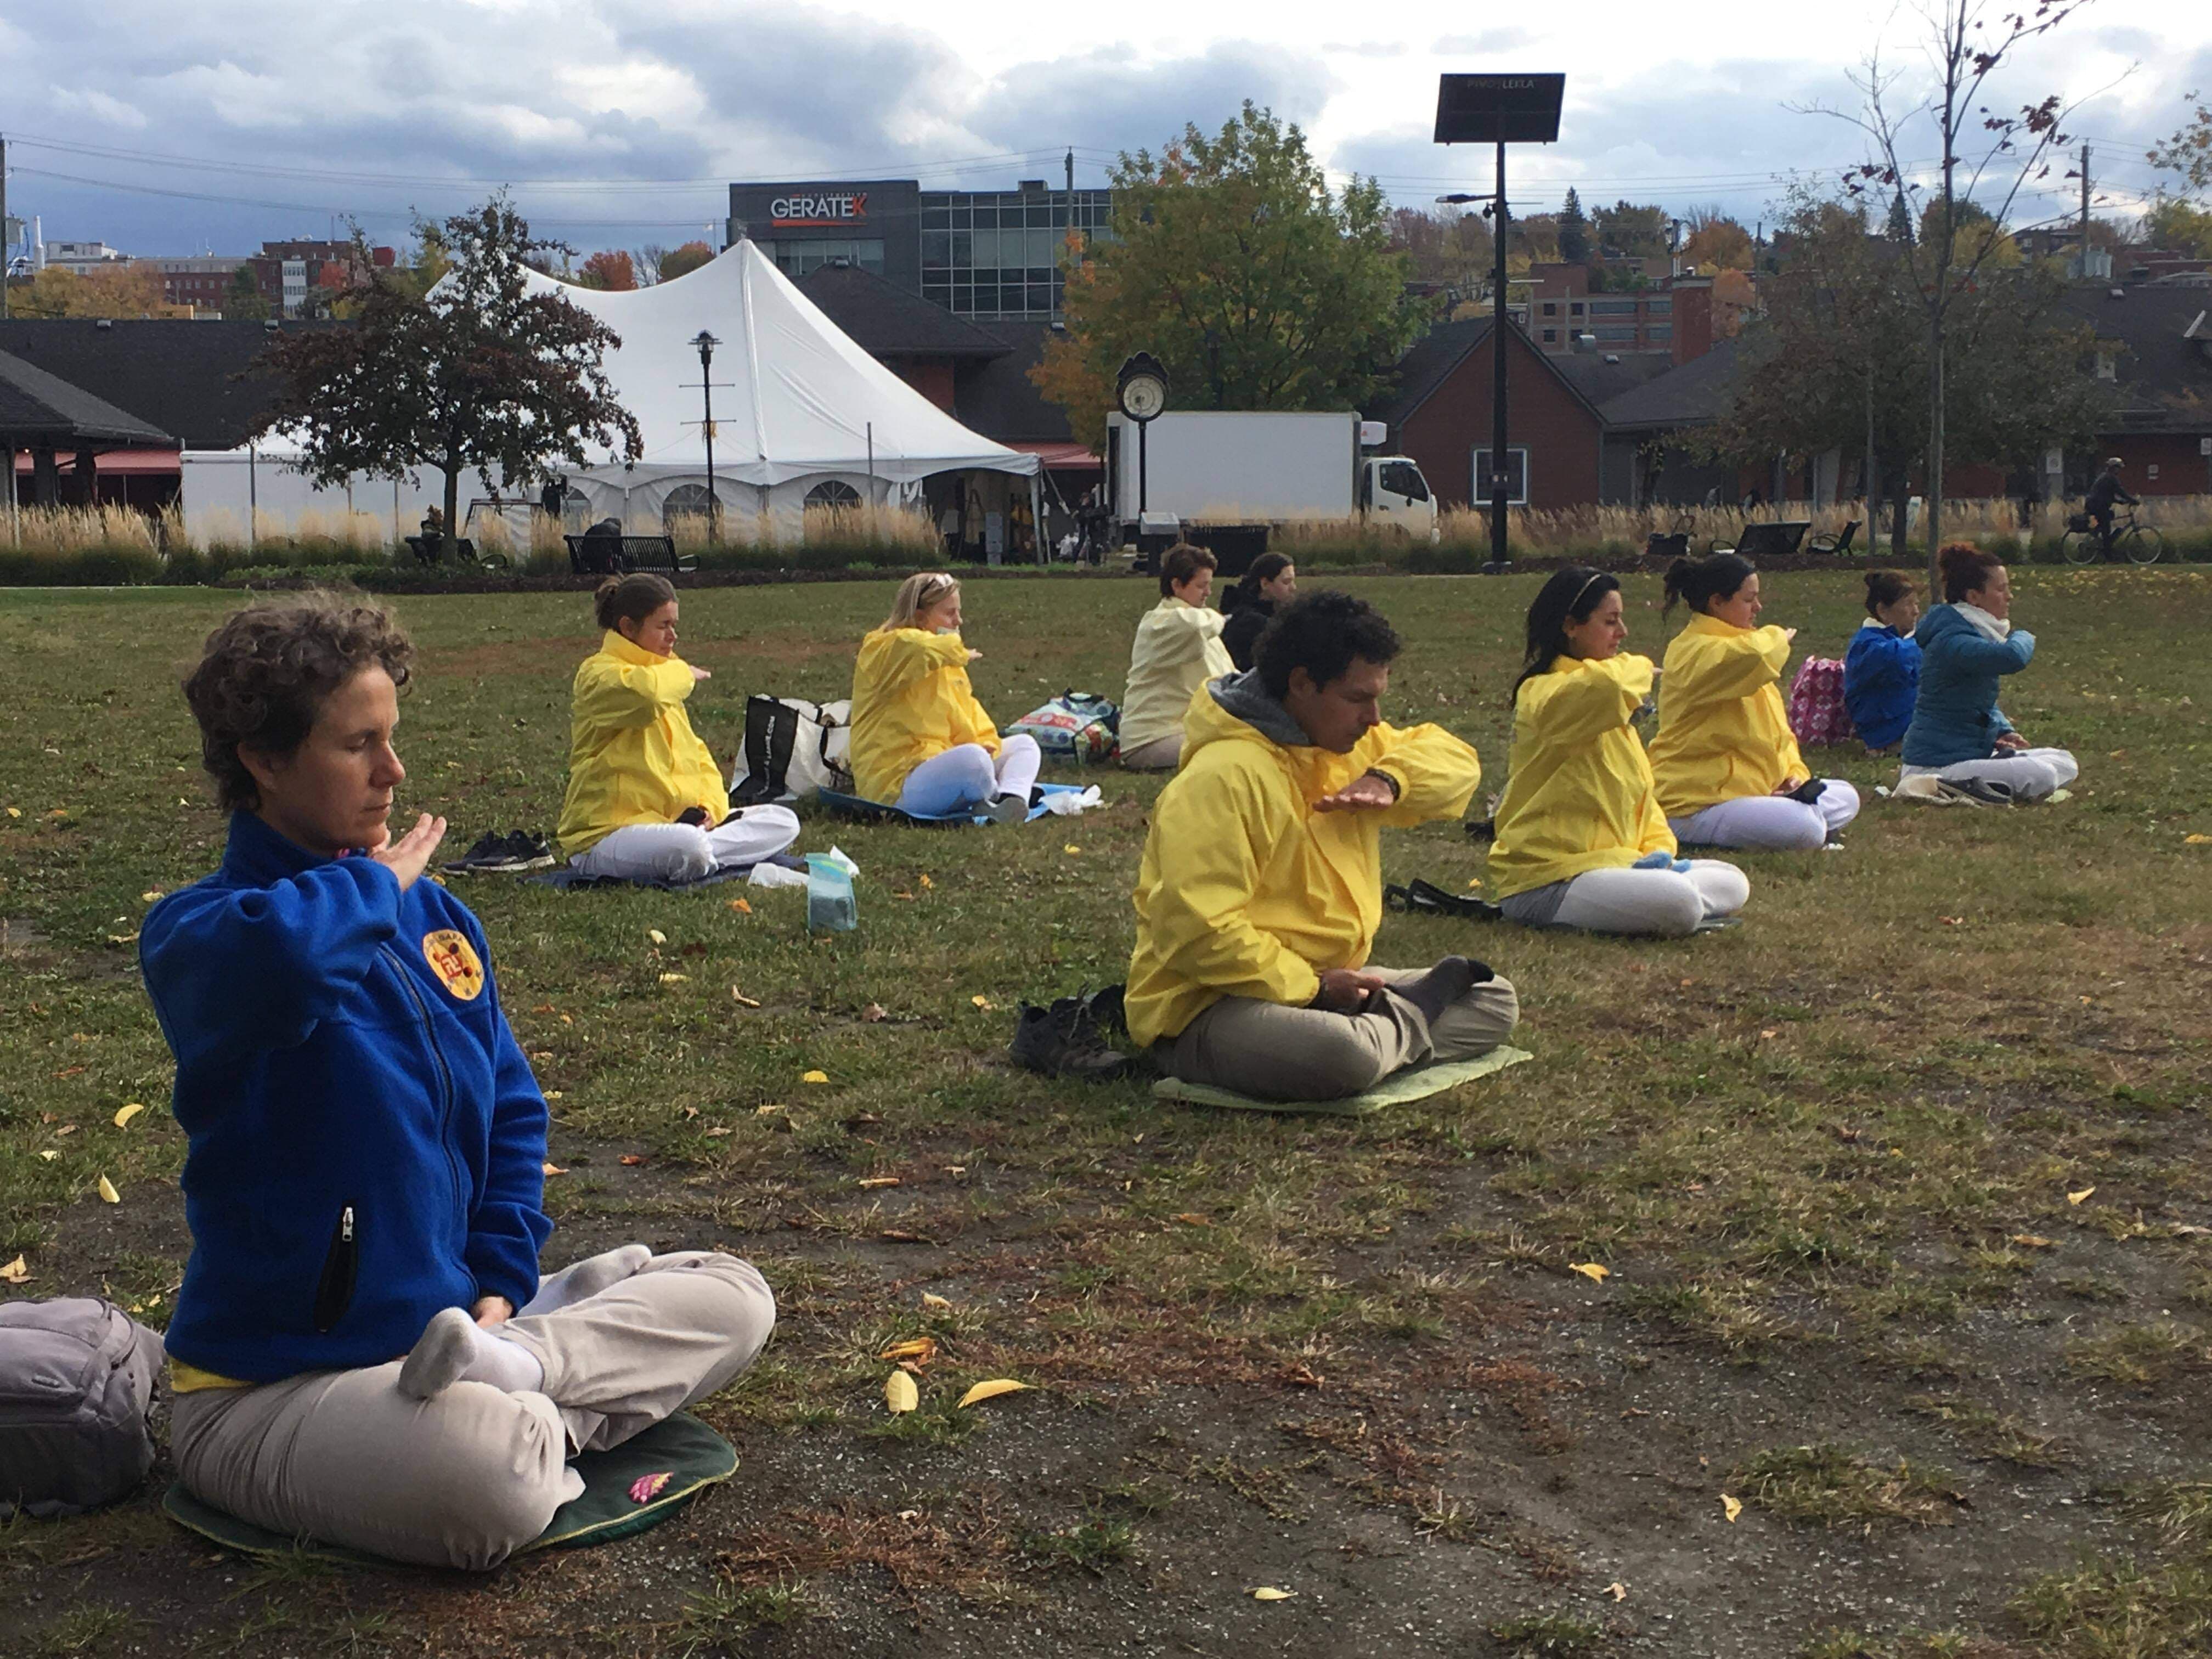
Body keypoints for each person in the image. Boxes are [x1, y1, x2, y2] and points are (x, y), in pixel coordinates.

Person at [142, 594, 776, 1571]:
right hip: (273, 1388)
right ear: (262, 760)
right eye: (358, 745)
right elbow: (291, 967)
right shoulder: (203, 933)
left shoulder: (437, 917)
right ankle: (533, 1395)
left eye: (393, 737)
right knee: (490, 1478)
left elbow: (513, 1111)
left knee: (738, 1295)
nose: (393, 771)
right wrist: (375, 886)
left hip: (459, 1327)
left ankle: (516, 1363)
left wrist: (498, 1285)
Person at [1125, 590, 1520, 1103]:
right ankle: (1402, 1024)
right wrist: (1312, 989)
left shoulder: (1342, 746)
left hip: (1333, 990)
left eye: (1379, 698)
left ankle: (1388, 1030)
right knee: (1343, 1056)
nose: (1375, 719)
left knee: (1494, 1001)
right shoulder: (1224, 777)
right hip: (1214, 1006)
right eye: (1358, 699)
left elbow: (1457, 761)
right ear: (1301, 684)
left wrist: (1390, 779)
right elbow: (1198, 933)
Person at [1490, 568, 1751, 936]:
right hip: (1550, 876)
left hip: (1617, 865)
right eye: (1611, 621)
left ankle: (1655, 900)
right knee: (1680, 902)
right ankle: (1665, 905)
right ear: (1570, 626)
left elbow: (1641, 799)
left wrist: (1659, 855)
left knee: (1732, 881)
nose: (1623, 633)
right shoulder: (1545, 693)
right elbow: (1609, 685)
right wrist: (1639, 665)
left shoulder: (1607, 703)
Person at [556, 574, 800, 882]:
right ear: (628, 627)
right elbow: (646, 696)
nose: (673, 636)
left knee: (783, 820)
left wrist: (711, 810)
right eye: (663, 626)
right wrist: (683, 672)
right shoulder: (598, 673)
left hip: (673, 827)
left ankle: (700, 854)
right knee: (689, 847)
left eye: (674, 625)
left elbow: (698, 758)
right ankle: (700, 856)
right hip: (608, 834)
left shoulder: (664, 675)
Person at [1647, 553, 1861, 851]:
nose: (1758, 608)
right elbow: (1758, 655)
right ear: (1717, 602)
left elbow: (1779, 737)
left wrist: (1794, 779)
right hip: (1696, 801)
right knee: (1807, 827)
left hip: (1752, 793)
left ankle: (1787, 810)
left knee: (1846, 796)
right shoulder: (1694, 650)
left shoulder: (1742, 647)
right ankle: (1686, 828)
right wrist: (1778, 636)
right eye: (1749, 600)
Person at [850, 571, 1041, 820]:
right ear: (920, 616)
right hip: (898, 780)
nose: (958, 621)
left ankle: (1010, 800)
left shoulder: (946, 659)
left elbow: (967, 713)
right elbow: (917, 647)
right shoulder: (884, 649)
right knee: (974, 761)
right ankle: (992, 795)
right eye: (950, 613)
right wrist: (957, 650)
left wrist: (985, 744)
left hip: (940, 764)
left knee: (1024, 745)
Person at [1899, 543, 2079, 802]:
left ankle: (1976, 785)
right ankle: (1941, 785)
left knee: (2065, 762)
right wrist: (2023, 635)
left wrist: (2001, 731)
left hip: (1971, 754)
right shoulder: (1952, 640)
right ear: (1974, 597)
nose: (2010, 597)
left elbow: (1977, 702)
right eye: (2001, 589)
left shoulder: (1969, 632)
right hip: (1936, 764)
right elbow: (2012, 657)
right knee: (2044, 776)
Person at [1118, 543, 1234, 771]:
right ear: (1177, 585)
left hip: (1181, 730)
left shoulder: (1198, 622)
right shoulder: (1161, 624)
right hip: (1151, 740)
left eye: (1209, 585)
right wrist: (1221, 618)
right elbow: (1194, 627)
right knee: (1236, 749)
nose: (1208, 593)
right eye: (1202, 586)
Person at [1842, 570, 1923, 753]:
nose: (1916, 611)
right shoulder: (1868, 644)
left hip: (1907, 720)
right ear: (1883, 611)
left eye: (1916, 604)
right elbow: (1896, 658)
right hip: (1887, 730)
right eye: (1908, 604)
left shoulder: (1897, 641)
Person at [1219, 552, 1298, 673]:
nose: (1294, 588)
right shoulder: (1250, 622)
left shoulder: (1276, 615)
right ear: (1265, 584)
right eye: (1286, 582)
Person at [2085, 456, 2137, 554]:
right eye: (2118, 468)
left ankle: (2100, 541)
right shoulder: (2111, 478)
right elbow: (2120, 491)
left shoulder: (2105, 477)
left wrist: (2120, 502)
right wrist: (2132, 500)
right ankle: (2107, 552)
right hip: (2097, 505)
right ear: (2114, 468)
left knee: (2108, 520)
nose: (2119, 471)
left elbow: (2108, 494)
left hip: (2095, 504)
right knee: (2106, 528)